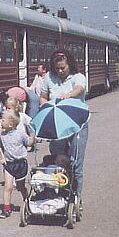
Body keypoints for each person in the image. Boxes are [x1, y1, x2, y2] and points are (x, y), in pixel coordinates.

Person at [39, 49, 88, 201]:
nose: (60, 71)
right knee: (58, 160)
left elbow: (80, 88)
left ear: (70, 65)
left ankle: (75, 197)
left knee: (75, 162)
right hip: (57, 125)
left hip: (77, 124)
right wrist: (44, 107)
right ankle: (59, 193)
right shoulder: (49, 77)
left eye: (63, 68)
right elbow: (43, 96)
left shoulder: (78, 77)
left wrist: (68, 95)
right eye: (57, 68)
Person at [0, 109, 35, 218]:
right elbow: (0, 147)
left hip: (20, 163)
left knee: (20, 187)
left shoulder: (20, 134)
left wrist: (32, 136)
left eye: (3, 120)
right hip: (9, 164)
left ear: (11, 124)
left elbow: (29, 143)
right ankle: (6, 209)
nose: (1, 121)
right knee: (8, 187)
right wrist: (2, 157)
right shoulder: (3, 135)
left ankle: (27, 202)